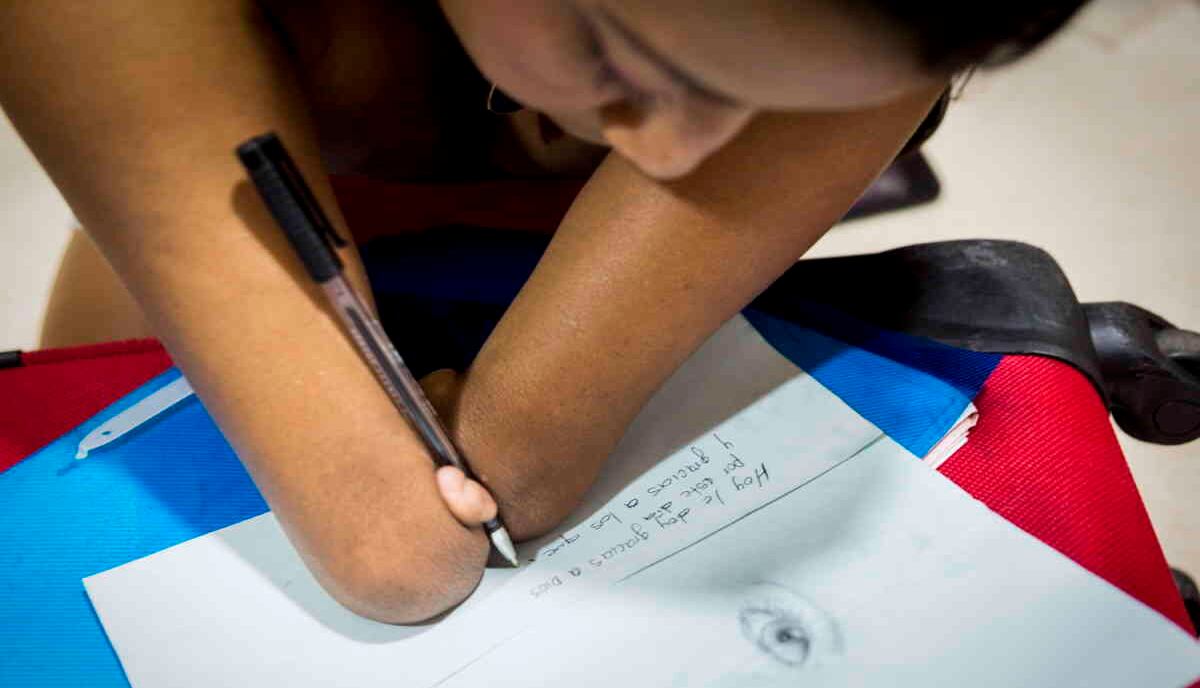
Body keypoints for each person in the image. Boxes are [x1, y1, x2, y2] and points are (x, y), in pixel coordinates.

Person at [0, 1, 1086, 622]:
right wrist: (405, 507)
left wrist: (535, 419)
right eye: (618, 54)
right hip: (247, 189)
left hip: (631, 236)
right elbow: (391, 548)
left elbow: (522, 455)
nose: (667, 150)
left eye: (752, 93)